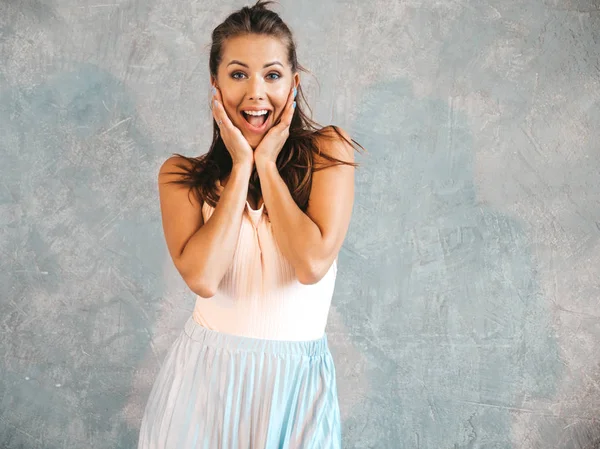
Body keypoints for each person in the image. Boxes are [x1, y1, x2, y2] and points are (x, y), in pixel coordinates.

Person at [137, 1, 365, 447]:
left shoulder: (330, 153)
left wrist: (268, 166)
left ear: (293, 83)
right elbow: (203, 278)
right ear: (215, 85)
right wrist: (242, 165)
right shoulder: (180, 175)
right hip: (205, 385)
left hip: (296, 389)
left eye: (272, 75)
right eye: (238, 74)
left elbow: (310, 264)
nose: (256, 93)